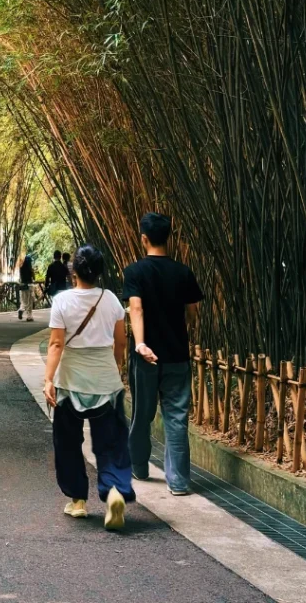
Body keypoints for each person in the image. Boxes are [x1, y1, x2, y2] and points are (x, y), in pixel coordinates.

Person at [43, 244, 134, 530]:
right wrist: (114, 368)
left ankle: (78, 501)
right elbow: (120, 342)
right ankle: (115, 491)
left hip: (71, 382)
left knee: (68, 442)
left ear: (74, 271)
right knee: (111, 442)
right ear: (100, 272)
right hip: (105, 382)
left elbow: (56, 344)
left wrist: (48, 379)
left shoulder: (62, 301)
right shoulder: (111, 301)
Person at [123, 212, 203, 497]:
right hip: (177, 355)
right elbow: (192, 312)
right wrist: (181, 329)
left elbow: (136, 308)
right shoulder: (184, 272)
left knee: (142, 414)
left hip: (146, 357)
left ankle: (139, 467)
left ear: (144, 238)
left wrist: (141, 344)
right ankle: (178, 482)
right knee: (177, 418)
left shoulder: (135, 271)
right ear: (169, 238)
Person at [17, 254, 36, 321]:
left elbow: (20, 277)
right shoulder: (30, 269)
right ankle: (29, 316)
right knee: (29, 302)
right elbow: (34, 277)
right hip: (29, 285)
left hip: (22, 285)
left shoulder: (21, 268)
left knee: (23, 300)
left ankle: (21, 309)